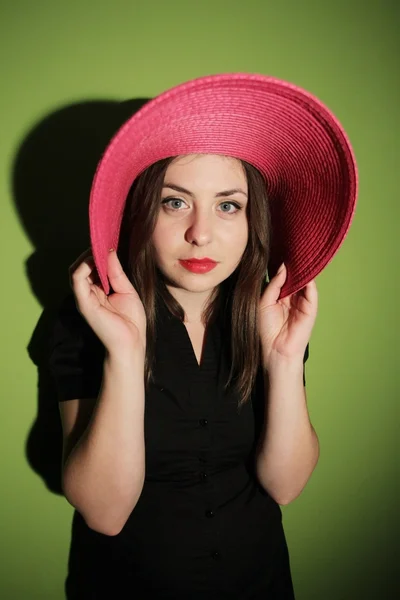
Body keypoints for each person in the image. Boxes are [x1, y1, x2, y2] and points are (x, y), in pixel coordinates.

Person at [48, 74, 357, 599]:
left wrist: (283, 360)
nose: (201, 233)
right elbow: (104, 512)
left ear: (252, 217)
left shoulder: (270, 316)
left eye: (228, 205)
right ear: (141, 210)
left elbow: (285, 485)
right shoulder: (83, 320)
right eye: (175, 202)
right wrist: (124, 355)